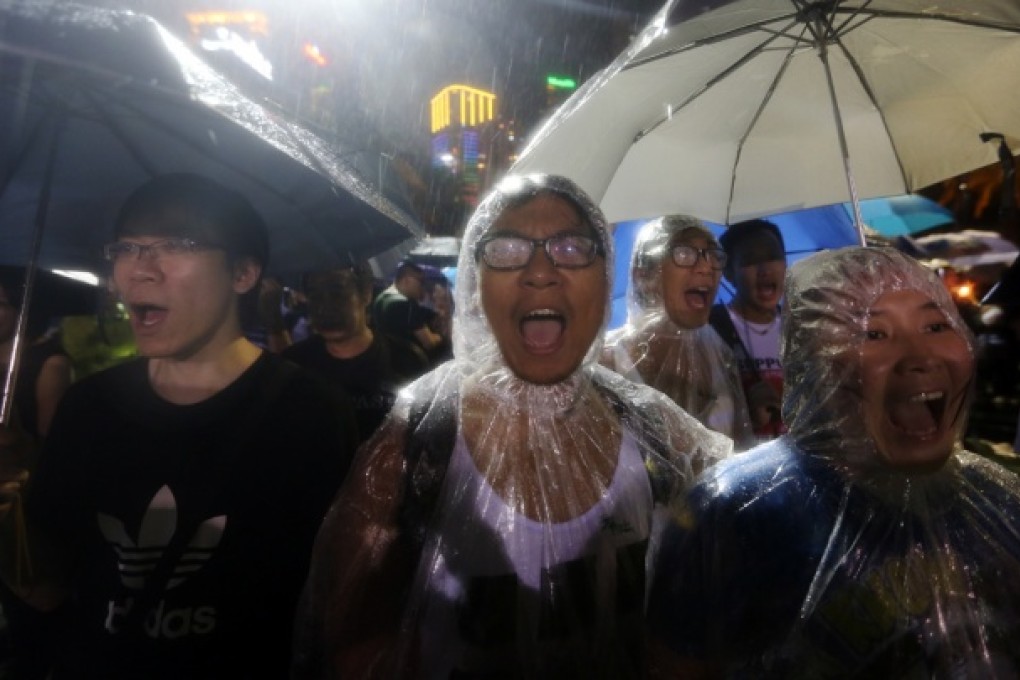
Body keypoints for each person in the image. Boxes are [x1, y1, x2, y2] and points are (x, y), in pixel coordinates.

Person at [292, 174, 731, 679]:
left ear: (605, 277)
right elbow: (350, 637)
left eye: (571, 248)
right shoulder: (418, 439)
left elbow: (704, 618)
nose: (540, 272)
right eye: (505, 250)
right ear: (476, 283)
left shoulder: (656, 431)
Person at [0, 173, 359, 679]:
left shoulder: (310, 412)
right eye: (125, 249)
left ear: (243, 272)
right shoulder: (88, 407)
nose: (139, 270)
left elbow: (337, 600)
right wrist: (8, 508)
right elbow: (48, 589)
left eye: (177, 245)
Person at [646, 246, 1020, 678]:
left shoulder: (1000, 500)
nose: (921, 357)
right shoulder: (736, 511)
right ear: (812, 363)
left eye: (936, 326)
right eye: (873, 333)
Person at [602, 216, 754, 449]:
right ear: (643, 277)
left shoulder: (721, 355)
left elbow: (742, 453)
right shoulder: (608, 362)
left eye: (713, 255)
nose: (706, 268)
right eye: (684, 254)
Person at [0, 269, 76, 679]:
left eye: (0, 304)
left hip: (23, 509)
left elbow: (51, 452)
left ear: (23, 310)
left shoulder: (48, 363)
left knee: (33, 610)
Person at [283, 263, 430, 444]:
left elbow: (424, 434)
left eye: (337, 292)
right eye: (315, 295)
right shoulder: (293, 367)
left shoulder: (406, 359)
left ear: (366, 293)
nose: (324, 307)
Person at [708, 218, 787, 442]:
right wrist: (744, 413)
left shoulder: (801, 326)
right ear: (729, 273)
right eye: (750, 260)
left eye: (773, 256)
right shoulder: (711, 329)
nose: (765, 270)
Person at [372, 260, 444, 367]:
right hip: (415, 364)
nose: (423, 287)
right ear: (407, 280)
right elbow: (430, 343)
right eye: (421, 282)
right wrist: (441, 335)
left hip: (392, 362)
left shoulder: (381, 298)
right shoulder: (406, 304)